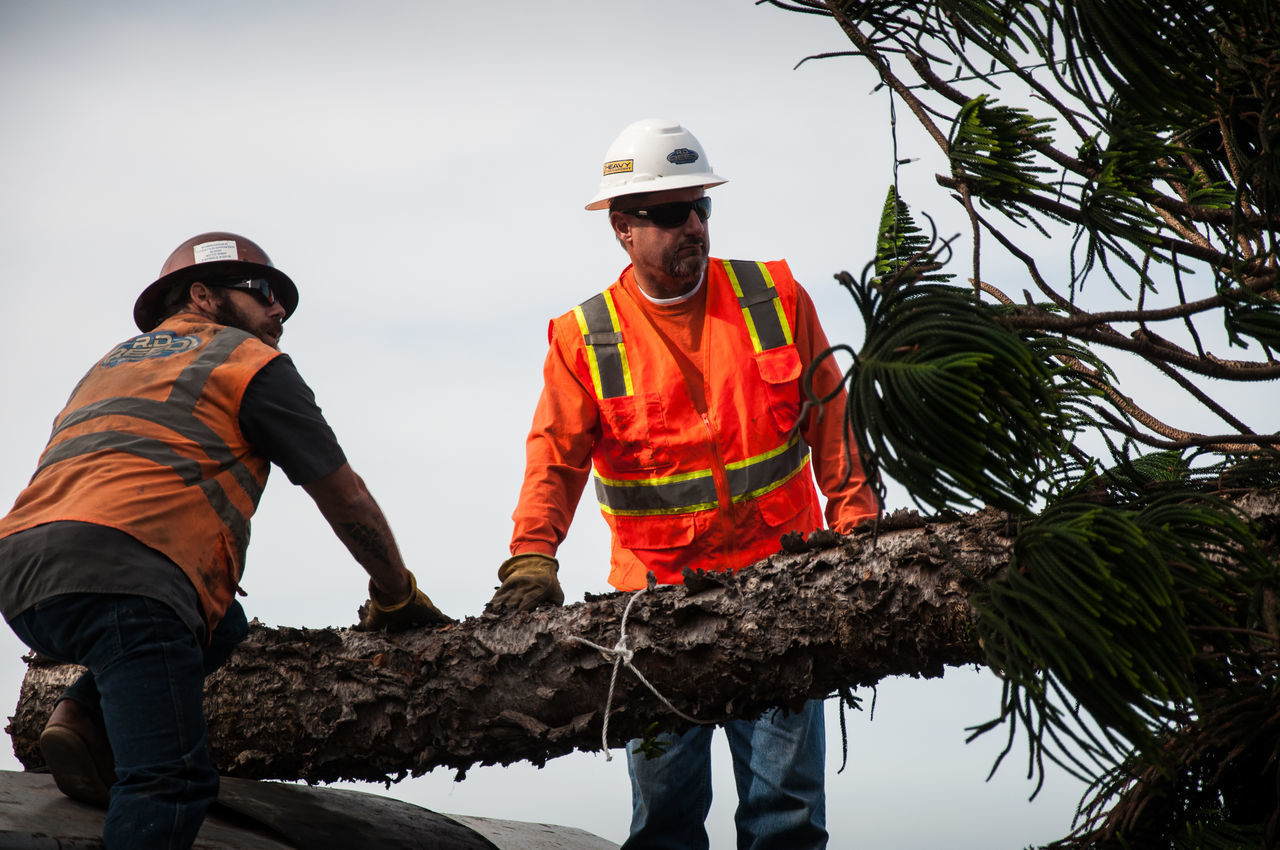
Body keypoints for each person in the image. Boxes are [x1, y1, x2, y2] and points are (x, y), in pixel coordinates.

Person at [487, 119, 880, 849]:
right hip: (656, 609)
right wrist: (532, 557)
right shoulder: (586, 337)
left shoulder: (774, 296)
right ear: (622, 228)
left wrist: (857, 533)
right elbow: (553, 460)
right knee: (665, 821)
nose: (694, 224)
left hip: (783, 588)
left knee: (787, 818)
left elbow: (834, 424)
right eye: (671, 213)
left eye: (702, 207)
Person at [0, 231, 450, 849]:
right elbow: (342, 495)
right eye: (263, 292)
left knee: (221, 622)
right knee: (170, 781)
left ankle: (80, 714)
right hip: (129, 576)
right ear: (203, 296)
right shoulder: (247, 362)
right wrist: (397, 594)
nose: (279, 310)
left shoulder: (110, 365)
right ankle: (93, 723)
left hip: (23, 570)